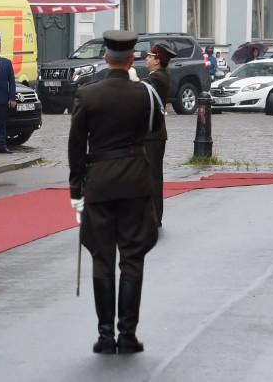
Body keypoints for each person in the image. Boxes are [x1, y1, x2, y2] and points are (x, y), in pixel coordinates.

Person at [69, 30, 163, 355]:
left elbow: (76, 145)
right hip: (135, 181)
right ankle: (128, 334)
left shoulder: (87, 94)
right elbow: (152, 130)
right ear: (132, 58)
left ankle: (105, 335)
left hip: (99, 184)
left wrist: (75, 186)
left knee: (102, 257)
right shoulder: (145, 94)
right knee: (133, 258)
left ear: (106, 57)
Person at [144, 42, 175, 227]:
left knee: (153, 176)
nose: (146, 59)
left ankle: (155, 217)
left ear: (157, 61)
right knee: (151, 176)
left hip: (152, 135)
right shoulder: (157, 76)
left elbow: (141, 91)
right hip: (153, 134)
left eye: (150, 56)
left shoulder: (157, 79)